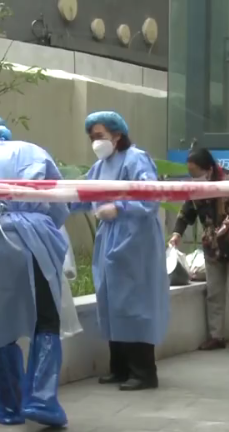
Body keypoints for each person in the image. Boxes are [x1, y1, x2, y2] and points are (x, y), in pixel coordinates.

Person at [0, 114, 70, 428]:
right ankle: (42, 400)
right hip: (36, 236)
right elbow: (59, 202)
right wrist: (42, 224)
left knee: (1, 321)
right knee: (45, 316)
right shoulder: (34, 151)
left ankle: (9, 406)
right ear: (5, 133)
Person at [69, 111, 170, 391]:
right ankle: (120, 367)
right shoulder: (100, 166)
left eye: (99, 136)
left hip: (136, 239)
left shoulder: (136, 159)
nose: (95, 142)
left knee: (134, 303)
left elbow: (150, 198)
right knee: (111, 302)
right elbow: (84, 195)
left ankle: (144, 372)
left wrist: (120, 207)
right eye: (92, 137)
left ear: (117, 135)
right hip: (110, 238)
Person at [168, 147, 229, 354]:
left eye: (196, 172)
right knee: (214, 292)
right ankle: (216, 336)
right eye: (190, 173)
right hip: (212, 245)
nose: (194, 177)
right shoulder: (196, 186)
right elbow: (186, 212)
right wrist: (177, 233)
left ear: (209, 169)